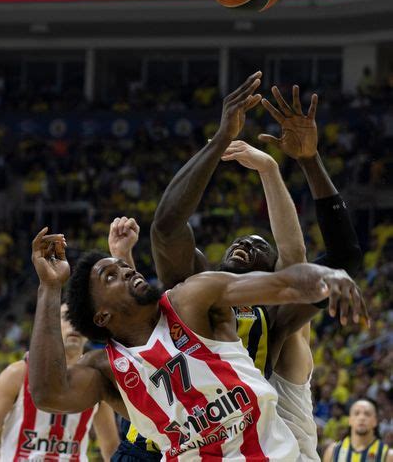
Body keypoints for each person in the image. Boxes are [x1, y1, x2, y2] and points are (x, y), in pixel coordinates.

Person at [150, 78, 364, 459]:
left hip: (276, 447)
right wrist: (218, 142)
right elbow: (167, 229)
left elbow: (309, 258)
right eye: (240, 242)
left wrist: (294, 163)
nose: (246, 245)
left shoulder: (275, 316)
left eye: (259, 248)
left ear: (272, 275)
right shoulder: (194, 292)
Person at [28, 225, 368, 462]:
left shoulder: (191, 303)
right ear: (101, 316)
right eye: (112, 276)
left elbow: (285, 280)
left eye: (123, 267)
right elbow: (48, 394)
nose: (128, 272)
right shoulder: (107, 368)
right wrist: (50, 287)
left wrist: (327, 276)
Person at [0, 303, 119, 462]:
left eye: (79, 319)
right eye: (66, 317)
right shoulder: (18, 374)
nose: (74, 324)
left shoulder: (97, 383)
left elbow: (111, 447)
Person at [322, 399, 393, 462]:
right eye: (356, 413)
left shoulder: (388, 455)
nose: (361, 418)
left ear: (375, 421)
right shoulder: (332, 451)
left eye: (367, 414)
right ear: (349, 420)